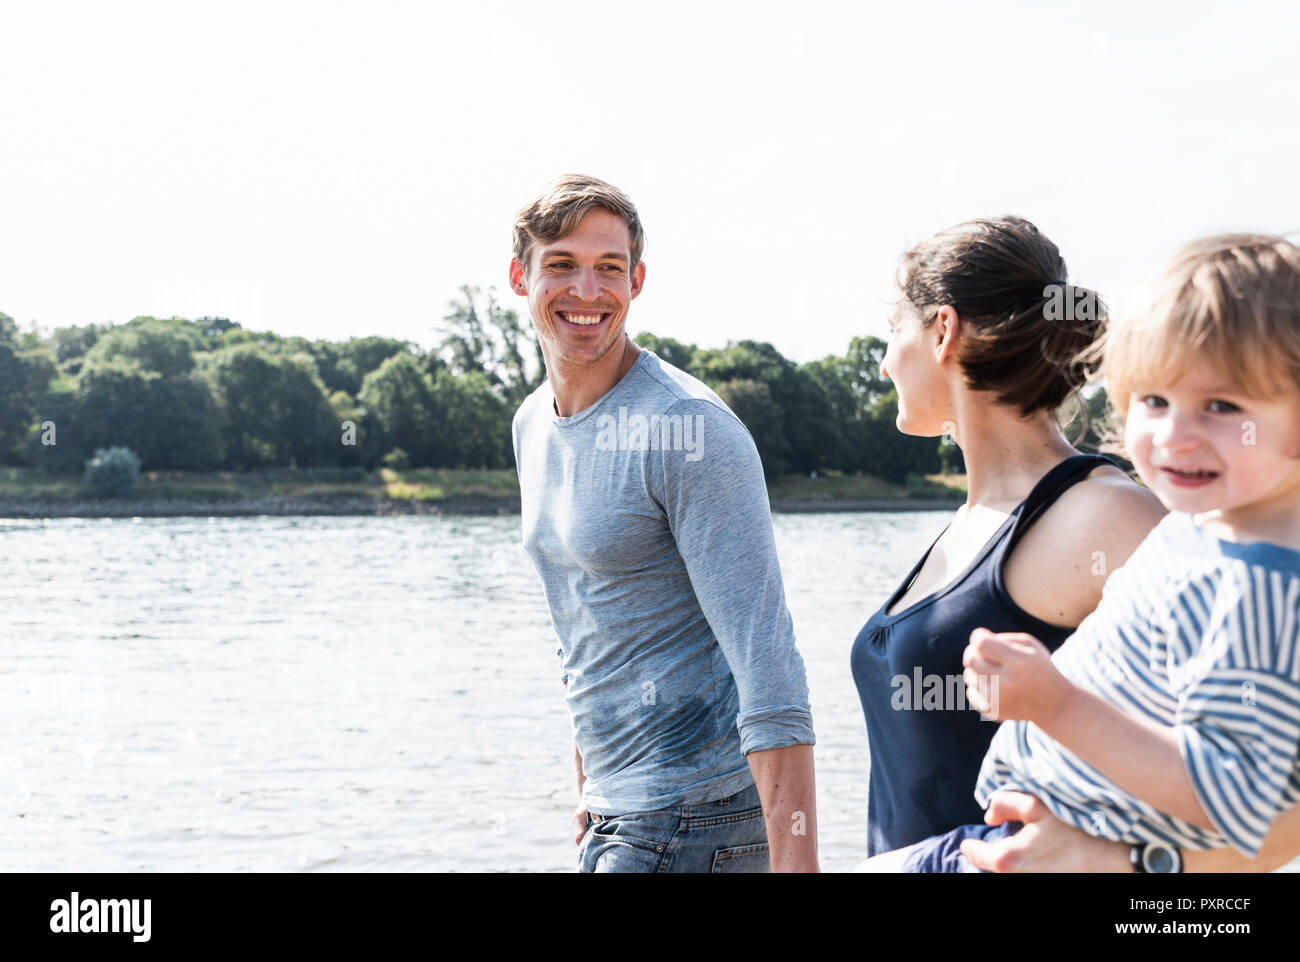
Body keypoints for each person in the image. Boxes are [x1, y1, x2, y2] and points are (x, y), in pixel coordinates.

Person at [892, 232, 1300, 872]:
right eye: (1155, 401)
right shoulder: (1202, 530)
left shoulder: (1259, 585)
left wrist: (1055, 703)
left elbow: (1239, 796)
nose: (1174, 437)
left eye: (1221, 406)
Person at [508, 174, 818, 873]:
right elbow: (583, 629)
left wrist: (798, 864)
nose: (587, 292)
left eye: (608, 269)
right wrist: (591, 786)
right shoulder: (532, 424)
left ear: (637, 280)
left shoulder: (687, 428)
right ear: (519, 276)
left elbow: (770, 666)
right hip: (618, 814)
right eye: (561, 265)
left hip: (702, 817)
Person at [850, 217, 1168, 860]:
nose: (884, 365)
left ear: (943, 330)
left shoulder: (1109, 519)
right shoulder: (969, 523)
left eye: (893, 331)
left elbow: (1233, 767)